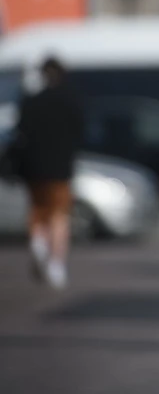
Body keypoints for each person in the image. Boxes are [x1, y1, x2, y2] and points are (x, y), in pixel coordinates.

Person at [15, 57, 84, 289]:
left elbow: (20, 133)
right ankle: (56, 264)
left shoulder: (31, 102)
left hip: (33, 168)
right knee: (59, 216)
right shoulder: (70, 101)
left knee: (37, 211)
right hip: (60, 168)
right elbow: (80, 133)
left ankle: (37, 242)